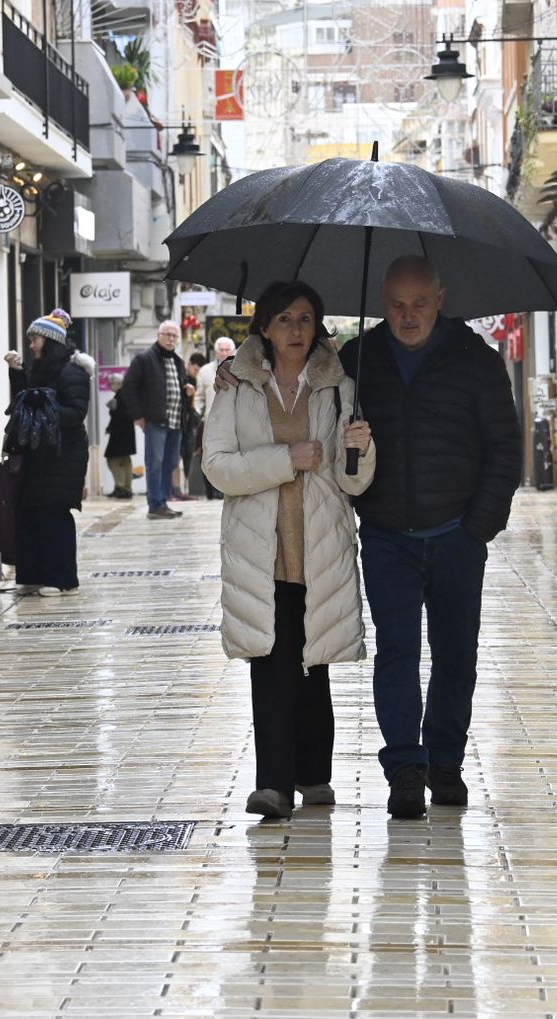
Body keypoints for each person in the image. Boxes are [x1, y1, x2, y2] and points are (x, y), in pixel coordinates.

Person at [216, 256, 521, 817]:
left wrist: (480, 525)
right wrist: (234, 368)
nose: (408, 316)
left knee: (456, 656)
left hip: (457, 535)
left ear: (440, 299)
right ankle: (405, 768)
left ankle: (446, 762)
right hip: (387, 538)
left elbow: (505, 449)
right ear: (383, 303)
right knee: (397, 654)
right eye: (397, 305)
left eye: (420, 305)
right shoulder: (357, 361)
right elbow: (299, 376)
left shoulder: (476, 360)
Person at [203, 281, 374, 820]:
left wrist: (361, 452)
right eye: (284, 319)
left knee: (312, 663)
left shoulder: (339, 385)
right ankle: (272, 784)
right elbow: (217, 468)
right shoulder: (237, 386)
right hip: (261, 549)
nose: (295, 330)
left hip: (320, 544)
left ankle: (314, 774)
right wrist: (285, 459)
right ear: (264, 329)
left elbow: (355, 485)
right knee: (271, 663)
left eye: (305, 318)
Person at [7, 314, 91, 597]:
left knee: (54, 513)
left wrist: (46, 408)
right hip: (38, 454)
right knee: (29, 513)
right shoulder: (40, 370)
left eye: (35, 339)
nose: (31, 345)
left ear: (51, 341)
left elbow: (77, 413)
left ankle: (62, 578)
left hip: (63, 457)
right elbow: (24, 402)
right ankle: (32, 575)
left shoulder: (71, 372)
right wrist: (17, 373)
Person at [121, 320, 193, 520]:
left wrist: (187, 389)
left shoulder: (178, 361)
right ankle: (155, 504)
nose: (170, 339)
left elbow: (178, 385)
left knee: (169, 464)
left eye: (174, 336)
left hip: (176, 422)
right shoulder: (144, 359)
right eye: (167, 334)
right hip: (156, 421)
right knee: (155, 463)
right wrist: (138, 416)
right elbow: (129, 387)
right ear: (158, 336)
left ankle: (163, 502)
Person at [197, 336, 237, 499]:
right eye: (222, 350)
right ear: (216, 352)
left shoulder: (240, 369)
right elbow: (199, 397)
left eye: (228, 350)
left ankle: (227, 488)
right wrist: (196, 413)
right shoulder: (204, 371)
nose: (225, 353)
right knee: (210, 456)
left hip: (235, 421)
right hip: (210, 422)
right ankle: (211, 491)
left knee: (231, 456)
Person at [103, 373, 137, 499]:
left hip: (120, 434)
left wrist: (112, 410)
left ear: (118, 383)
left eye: (112, 383)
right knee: (125, 460)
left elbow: (122, 414)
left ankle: (120, 487)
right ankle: (127, 488)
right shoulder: (126, 394)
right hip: (126, 433)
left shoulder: (121, 396)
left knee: (113, 460)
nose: (110, 385)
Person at [181, 351, 208, 499]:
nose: (197, 373)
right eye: (196, 369)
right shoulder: (184, 379)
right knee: (182, 455)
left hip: (194, 424)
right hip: (183, 424)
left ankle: (187, 488)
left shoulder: (199, 381)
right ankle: (182, 488)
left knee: (190, 455)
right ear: (189, 364)